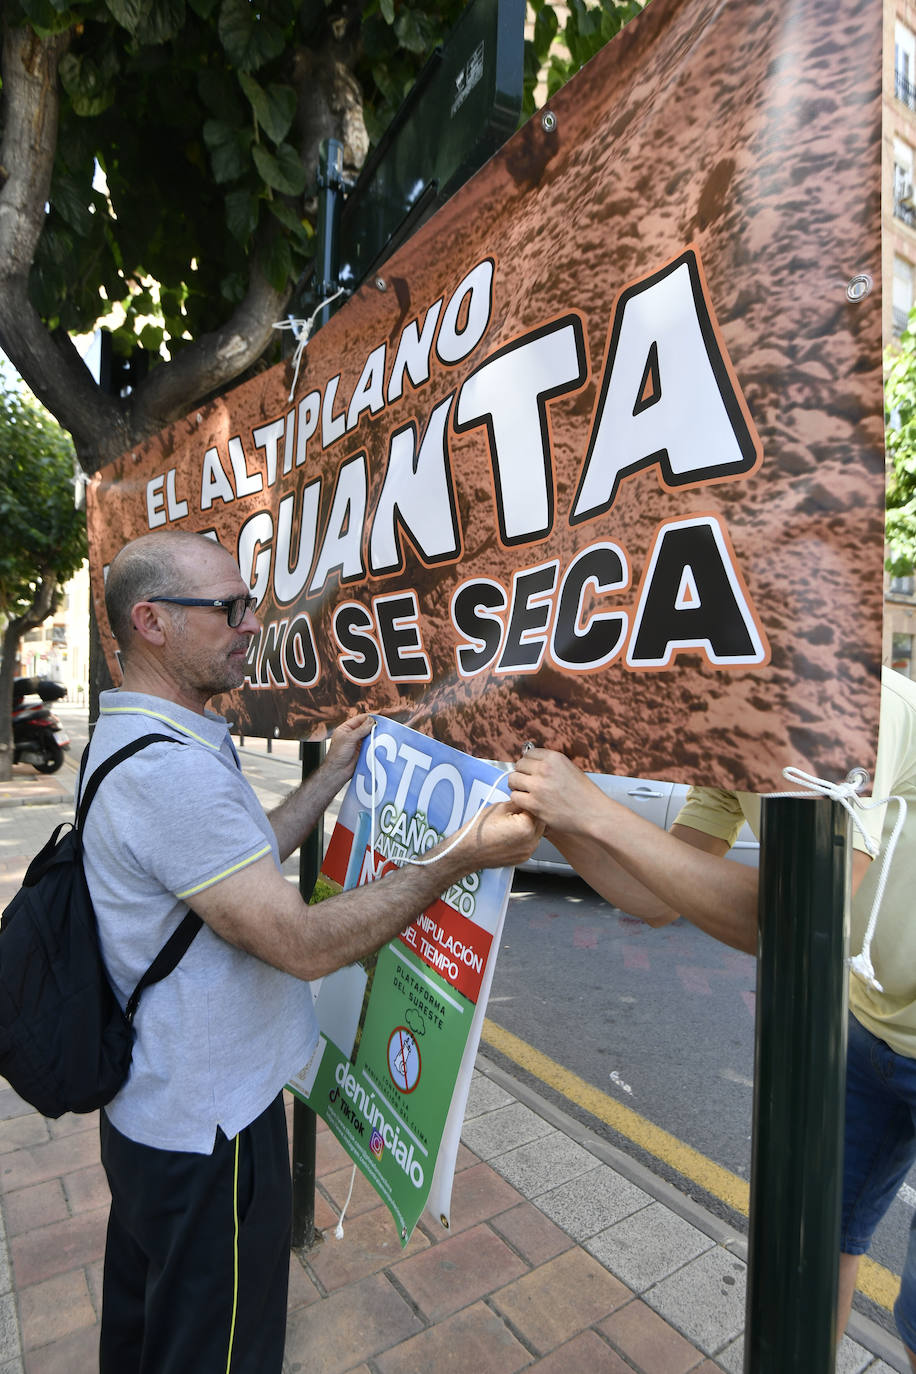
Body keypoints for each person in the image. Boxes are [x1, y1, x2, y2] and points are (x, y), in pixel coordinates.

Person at [83, 529, 541, 1374]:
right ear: (150, 621)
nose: (251, 623)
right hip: (208, 1140)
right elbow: (298, 944)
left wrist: (330, 777)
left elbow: (235, 865)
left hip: (161, 1114)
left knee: (148, 1336)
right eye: (228, 608)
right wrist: (460, 856)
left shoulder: (150, 739)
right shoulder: (169, 775)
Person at [507, 666, 916, 1368]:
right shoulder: (726, 719)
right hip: (867, 1022)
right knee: (811, 1254)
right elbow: (656, 890)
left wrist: (596, 811)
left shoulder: (845, 696)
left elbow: (807, 914)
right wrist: (559, 816)